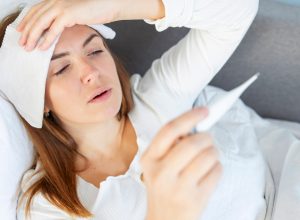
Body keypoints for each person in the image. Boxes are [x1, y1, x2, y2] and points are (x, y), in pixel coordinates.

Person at [0, 0, 265, 219]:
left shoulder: (156, 96)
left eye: (94, 51)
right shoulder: (48, 205)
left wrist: (114, 7)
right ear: (39, 101)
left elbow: (239, 11)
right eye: (62, 68)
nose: (91, 72)